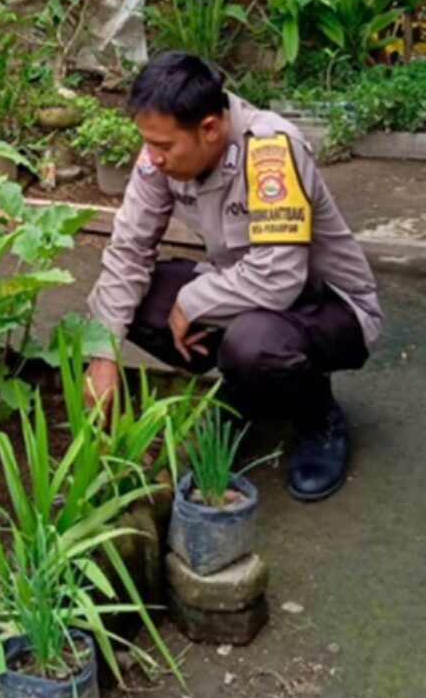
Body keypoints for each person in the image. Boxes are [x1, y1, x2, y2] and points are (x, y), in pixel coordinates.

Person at [84, 52, 383, 502]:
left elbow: (280, 276)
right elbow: (128, 250)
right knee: (139, 304)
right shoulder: (160, 156)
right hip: (242, 291)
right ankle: (248, 393)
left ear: (209, 128)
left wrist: (193, 302)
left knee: (253, 346)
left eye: (164, 146)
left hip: (329, 306)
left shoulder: (271, 149)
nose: (154, 158)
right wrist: (102, 353)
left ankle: (317, 415)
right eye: (149, 144)